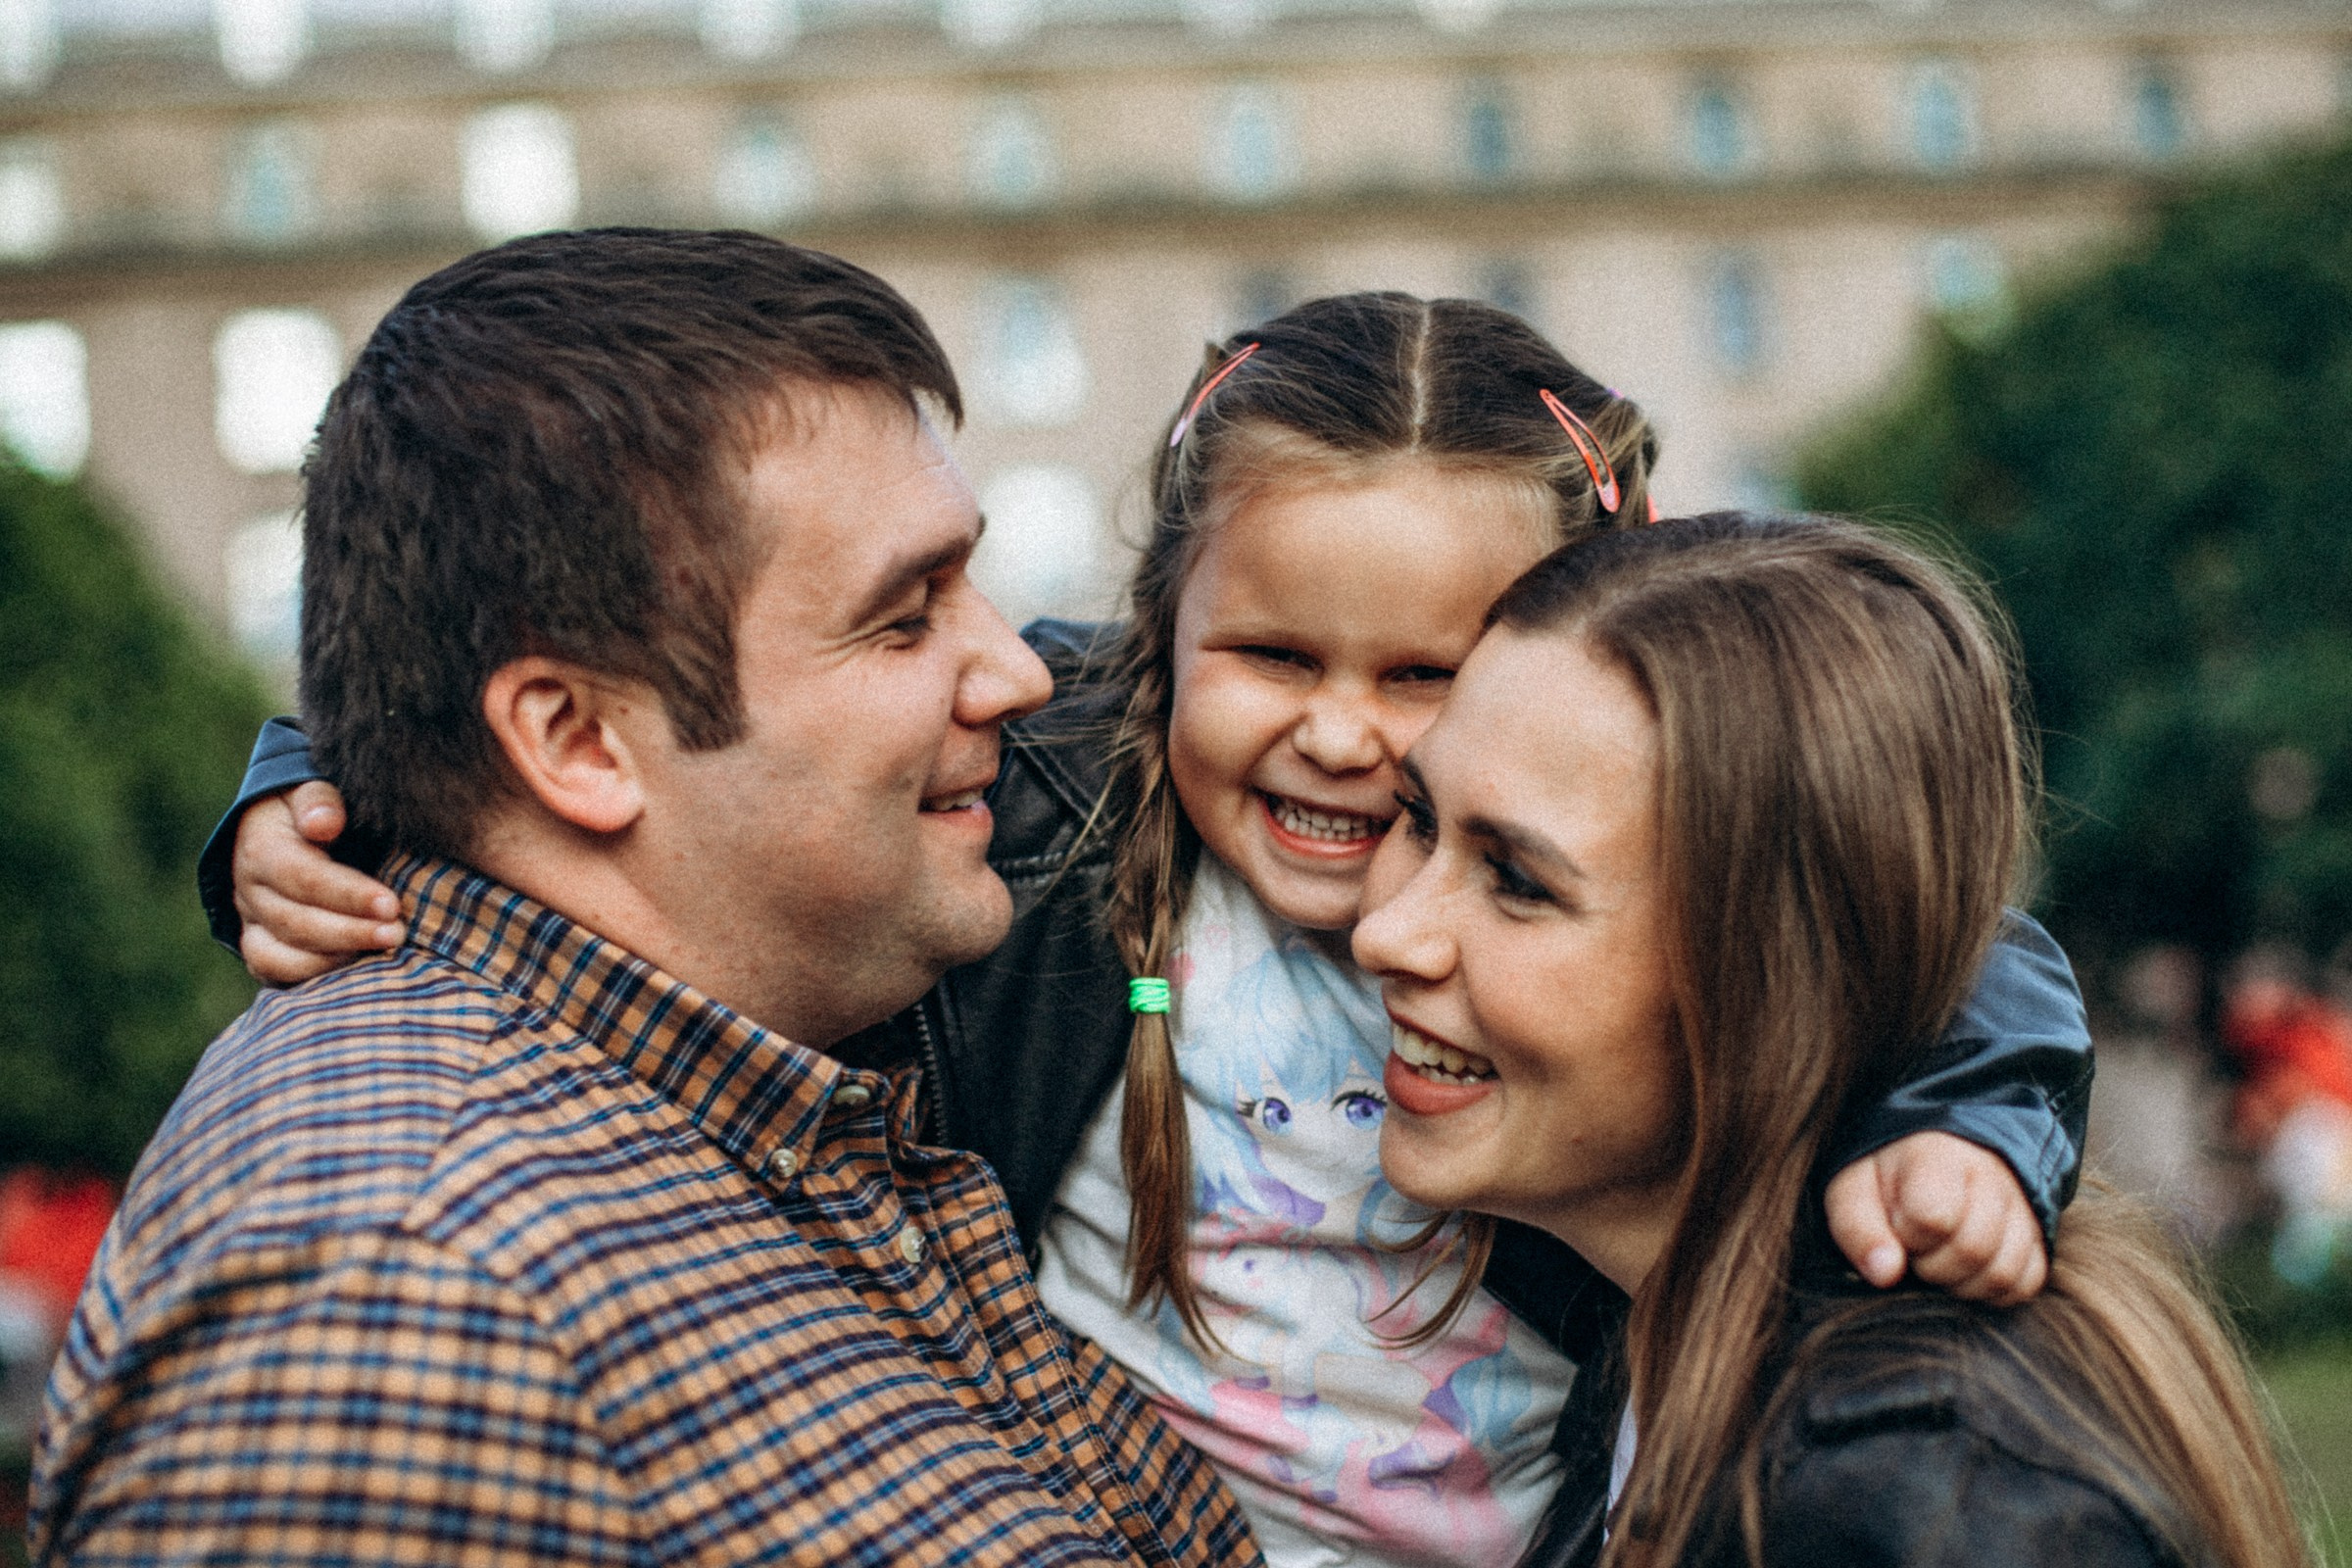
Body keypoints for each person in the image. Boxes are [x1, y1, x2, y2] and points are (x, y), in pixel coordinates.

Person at [203, 294, 2094, 1568]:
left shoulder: (1640, 870)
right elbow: (611, 703)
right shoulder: (1059, 788)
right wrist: (308, 790)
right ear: (1164, 623)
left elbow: (1917, 927)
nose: (1347, 736)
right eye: (1273, 655)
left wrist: (1972, 1124)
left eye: (1433, 679)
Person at [29, 229, 1257, 1567]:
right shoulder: (400, 1297)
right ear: (575, 740)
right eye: (906, 617)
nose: (1013, 673)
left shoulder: (773, 1071)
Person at [1358, 512, 2307, 1568]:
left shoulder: (1927, 1491)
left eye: (1520, 881)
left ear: (1774, 978)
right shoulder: (1650, 1359)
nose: (1382, 930)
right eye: (1416, 816)